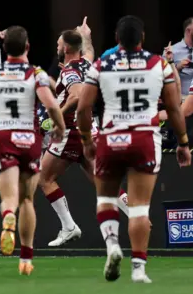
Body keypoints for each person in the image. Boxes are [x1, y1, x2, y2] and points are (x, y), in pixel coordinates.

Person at [76, 15, 191, 283]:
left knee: (106, 199)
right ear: (142, 38)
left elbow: (83, 108)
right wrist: (183, 142)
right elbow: (174, 108)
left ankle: (113, 243)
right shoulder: (159, 64)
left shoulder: (102, 64)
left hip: (111, 138)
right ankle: (139, 269)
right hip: (144, 139)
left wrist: (85, 140)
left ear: (117, 39)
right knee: (140, 208)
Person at [0, 26, 66, 276]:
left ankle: (8, 216)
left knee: (9, 199)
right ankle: (26, 259)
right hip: (29, 138)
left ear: (3, 48)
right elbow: (51, 104)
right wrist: (59, 127)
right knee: (28, 199)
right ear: (28, 47)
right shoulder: (36, 73)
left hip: (4, 137)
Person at [40, 29, 130, 247]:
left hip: (70, 132)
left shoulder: (70, 71)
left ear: (66, 48)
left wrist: (57, 116)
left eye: (59, 44)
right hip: (90, 130)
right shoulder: (87, 64)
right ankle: (136, 213)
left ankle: (69, 227)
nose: (58, 47)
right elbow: (89, 51)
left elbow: (77, 95)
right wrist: (87, 35)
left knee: (44, 178)